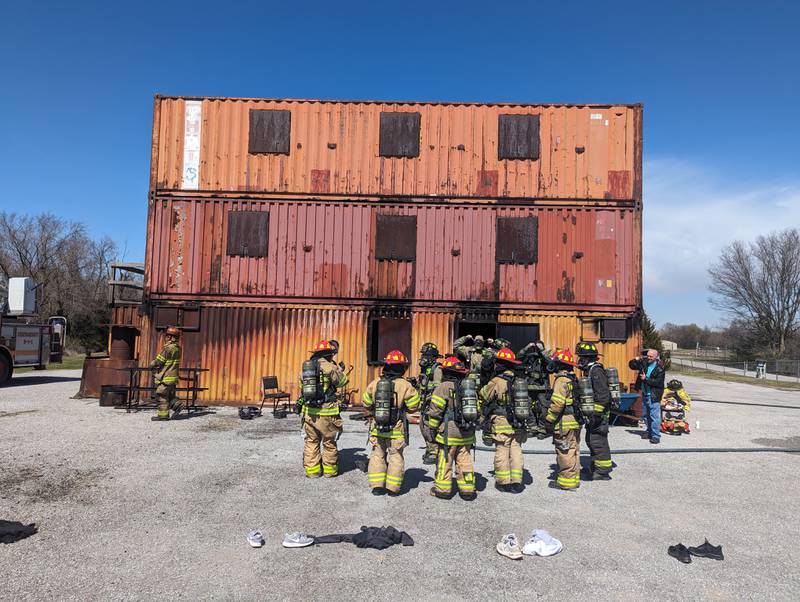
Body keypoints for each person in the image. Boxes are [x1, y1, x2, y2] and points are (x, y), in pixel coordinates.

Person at [362, 350, 420, 495]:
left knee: (377, 455)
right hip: (396, 428)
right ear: (402, 367)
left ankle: (377, 486)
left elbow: (366, 402)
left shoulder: (376, 383)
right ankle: (392, 488)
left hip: (378, 427)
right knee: (395, 456)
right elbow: (414, 405)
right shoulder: (405, 385)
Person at [427, 357, 478, 501]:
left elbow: (435, 411)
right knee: (465, 461)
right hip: (466, 433)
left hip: (448, 434)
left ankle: (443, 490)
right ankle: (467, 490)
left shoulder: (443, 387)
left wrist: (432, 428)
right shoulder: (469, 387)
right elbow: (477, 411)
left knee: (445, 460)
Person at [479, 348, 527, 493]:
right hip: (519, 421)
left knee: (502, 448)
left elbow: (484, 395)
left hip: (502, 420)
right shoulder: (519, 380)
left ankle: (504, 482)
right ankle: (517, 481)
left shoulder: (497, 381)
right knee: (516, 449)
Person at [298, 340, 348, 477]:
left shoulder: (306, 368)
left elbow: (301, 387)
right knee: (328, 441)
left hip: (309, 412)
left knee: (311, 441)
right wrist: (339, 370)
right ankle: (329, 472)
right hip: (327, 411)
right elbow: (342, 382)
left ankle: (313, 472)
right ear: (328, 354)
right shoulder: (329, 367)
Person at [545, 349, 582, 491]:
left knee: (564, 450)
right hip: (575, 420)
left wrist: (549, 420)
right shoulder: (573, 378)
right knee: (573, 449)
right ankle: (573, 478)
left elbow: (558, 403)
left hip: (563, 422)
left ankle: (566, 482)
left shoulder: (561, 380)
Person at [575, 342, 613, 480]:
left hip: (599, 415)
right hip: (594, 414)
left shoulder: (596, 371)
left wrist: (596, 414)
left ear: (587, 358)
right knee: (591, 439)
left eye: (581, 357)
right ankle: (595, 466)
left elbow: (603, 395)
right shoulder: (590, 370)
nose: (579, 360)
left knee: (598, 440)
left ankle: (602, 472)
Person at [416, 342, 443, 465]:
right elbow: (423, 384)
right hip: (424, 402)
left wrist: (430, 399)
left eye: (426, 355)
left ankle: (434, 451)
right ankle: (429, 448)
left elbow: (438, 389)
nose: (423, 358)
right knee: (423, 426)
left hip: (431, 403)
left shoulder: (437, 369)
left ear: (432, 357)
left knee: (429, 426)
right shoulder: (426, 369)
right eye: (423, 355)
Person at [632, 349, 666, 444]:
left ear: (655, 357)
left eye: (651, 356)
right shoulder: (644, 364)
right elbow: (631, 365)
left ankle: (656, 436)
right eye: (648, 355)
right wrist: (635, 360)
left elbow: (658, 382)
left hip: (653, 395)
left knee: (654, 416)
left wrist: (645, 379)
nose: (648, 357)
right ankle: (649, 432)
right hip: (645, 393)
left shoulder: (660, 368)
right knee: (645, 415)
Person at [150, 326, 183, 421]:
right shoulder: (178, 349)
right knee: (168, 394)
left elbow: (159, 361)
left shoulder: (168, 348)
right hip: (173, 377)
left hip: (166, 377)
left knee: (162, 394)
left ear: (171, 337)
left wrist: (151, 364)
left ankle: (163, 415)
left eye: (167, 335)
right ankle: (178, 405)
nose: (166, 337)